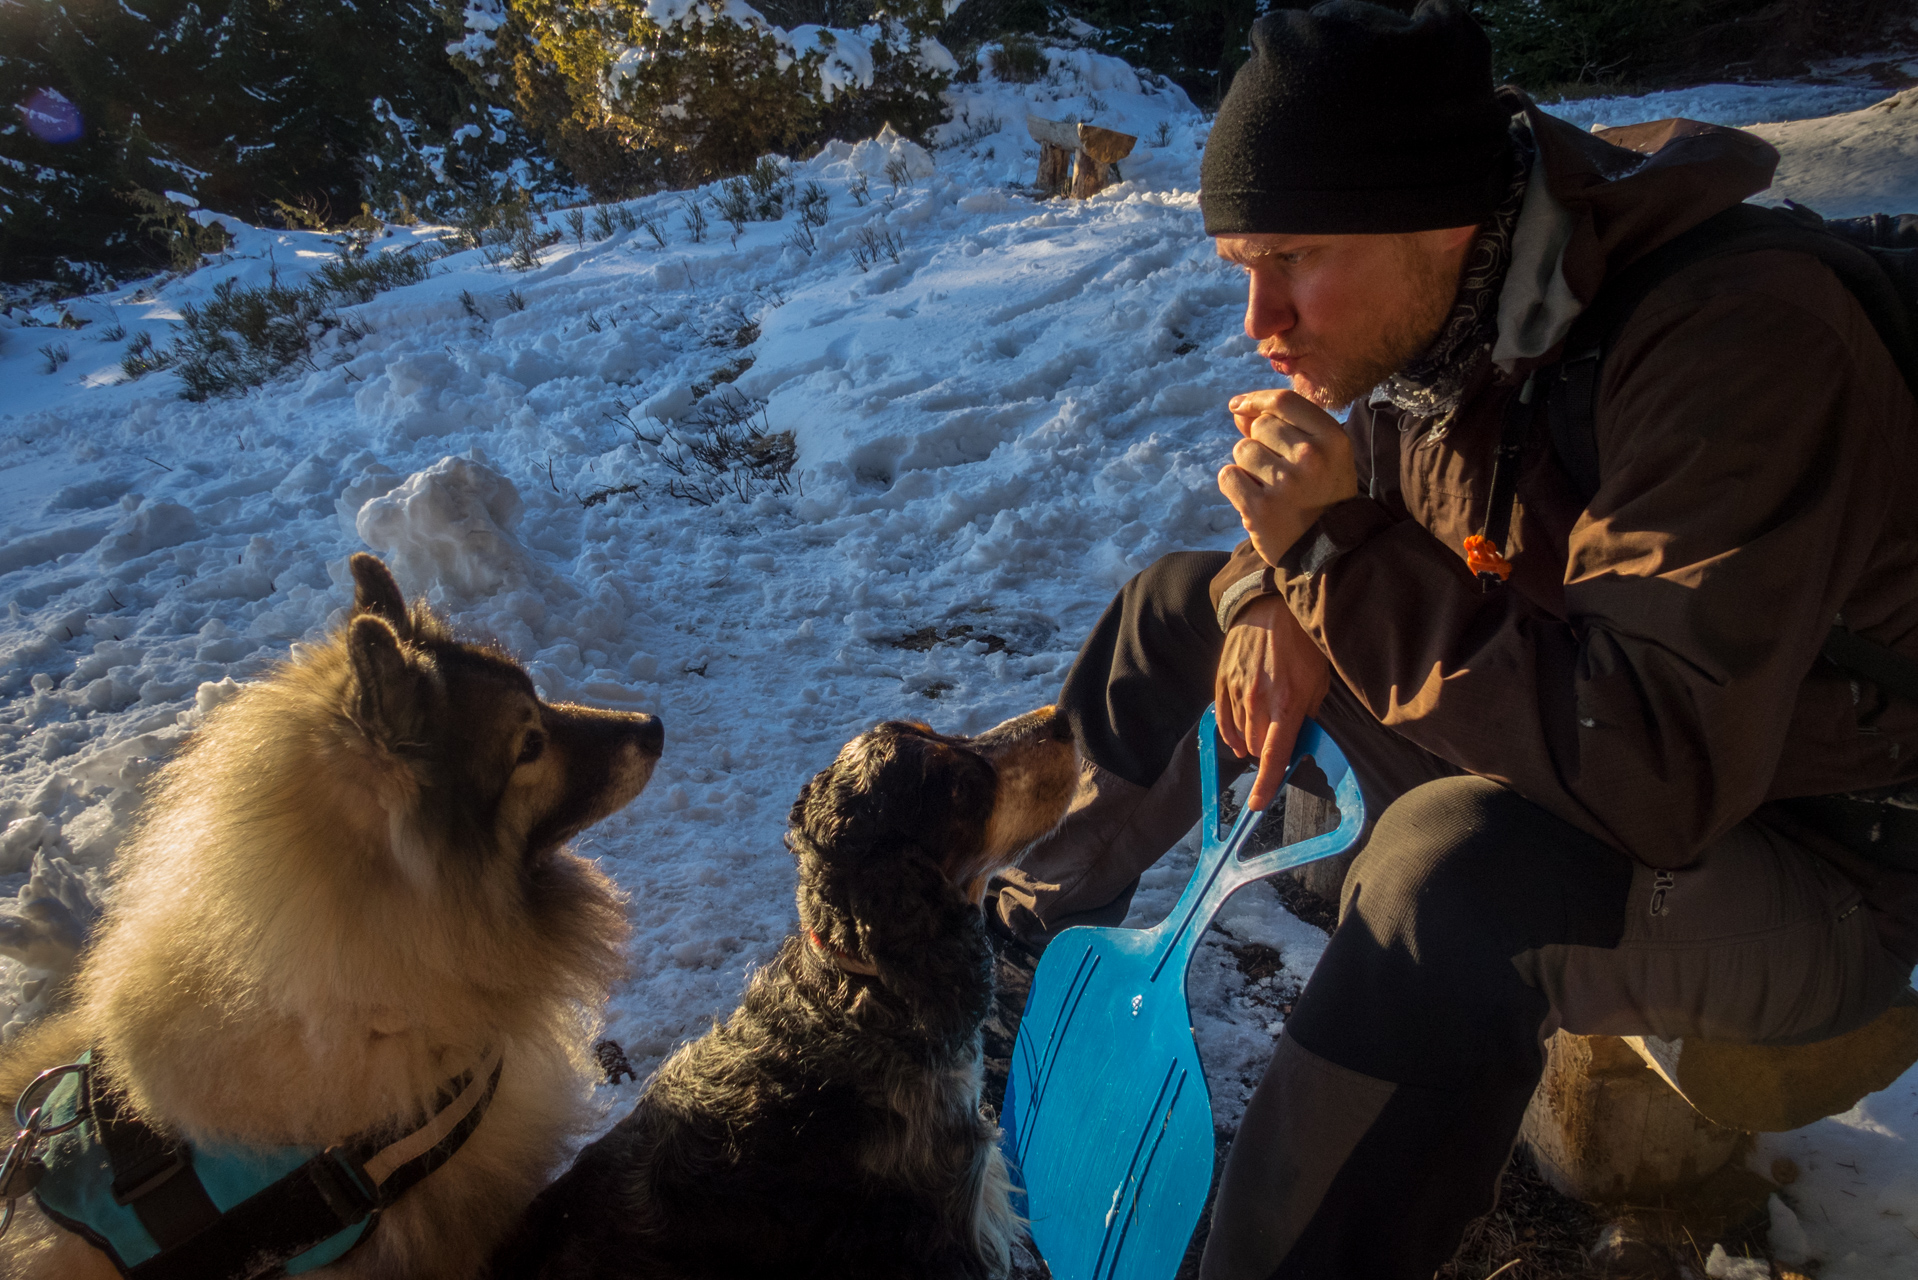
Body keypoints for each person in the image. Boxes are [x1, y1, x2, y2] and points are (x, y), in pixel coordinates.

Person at [983, 1, 1918, 1275]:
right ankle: (1007, 1000)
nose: (1263, 319)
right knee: (1179, 609)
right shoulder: (1461, 324)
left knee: (1450, 874)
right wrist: (1270, 589)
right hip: (1587, 748)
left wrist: (1326, 556)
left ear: (1433, 218)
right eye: (1241, 268)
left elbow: (1657, 770)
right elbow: (1338, 544)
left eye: (1295, 258)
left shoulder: (1737, 341)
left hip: (1812, 861)